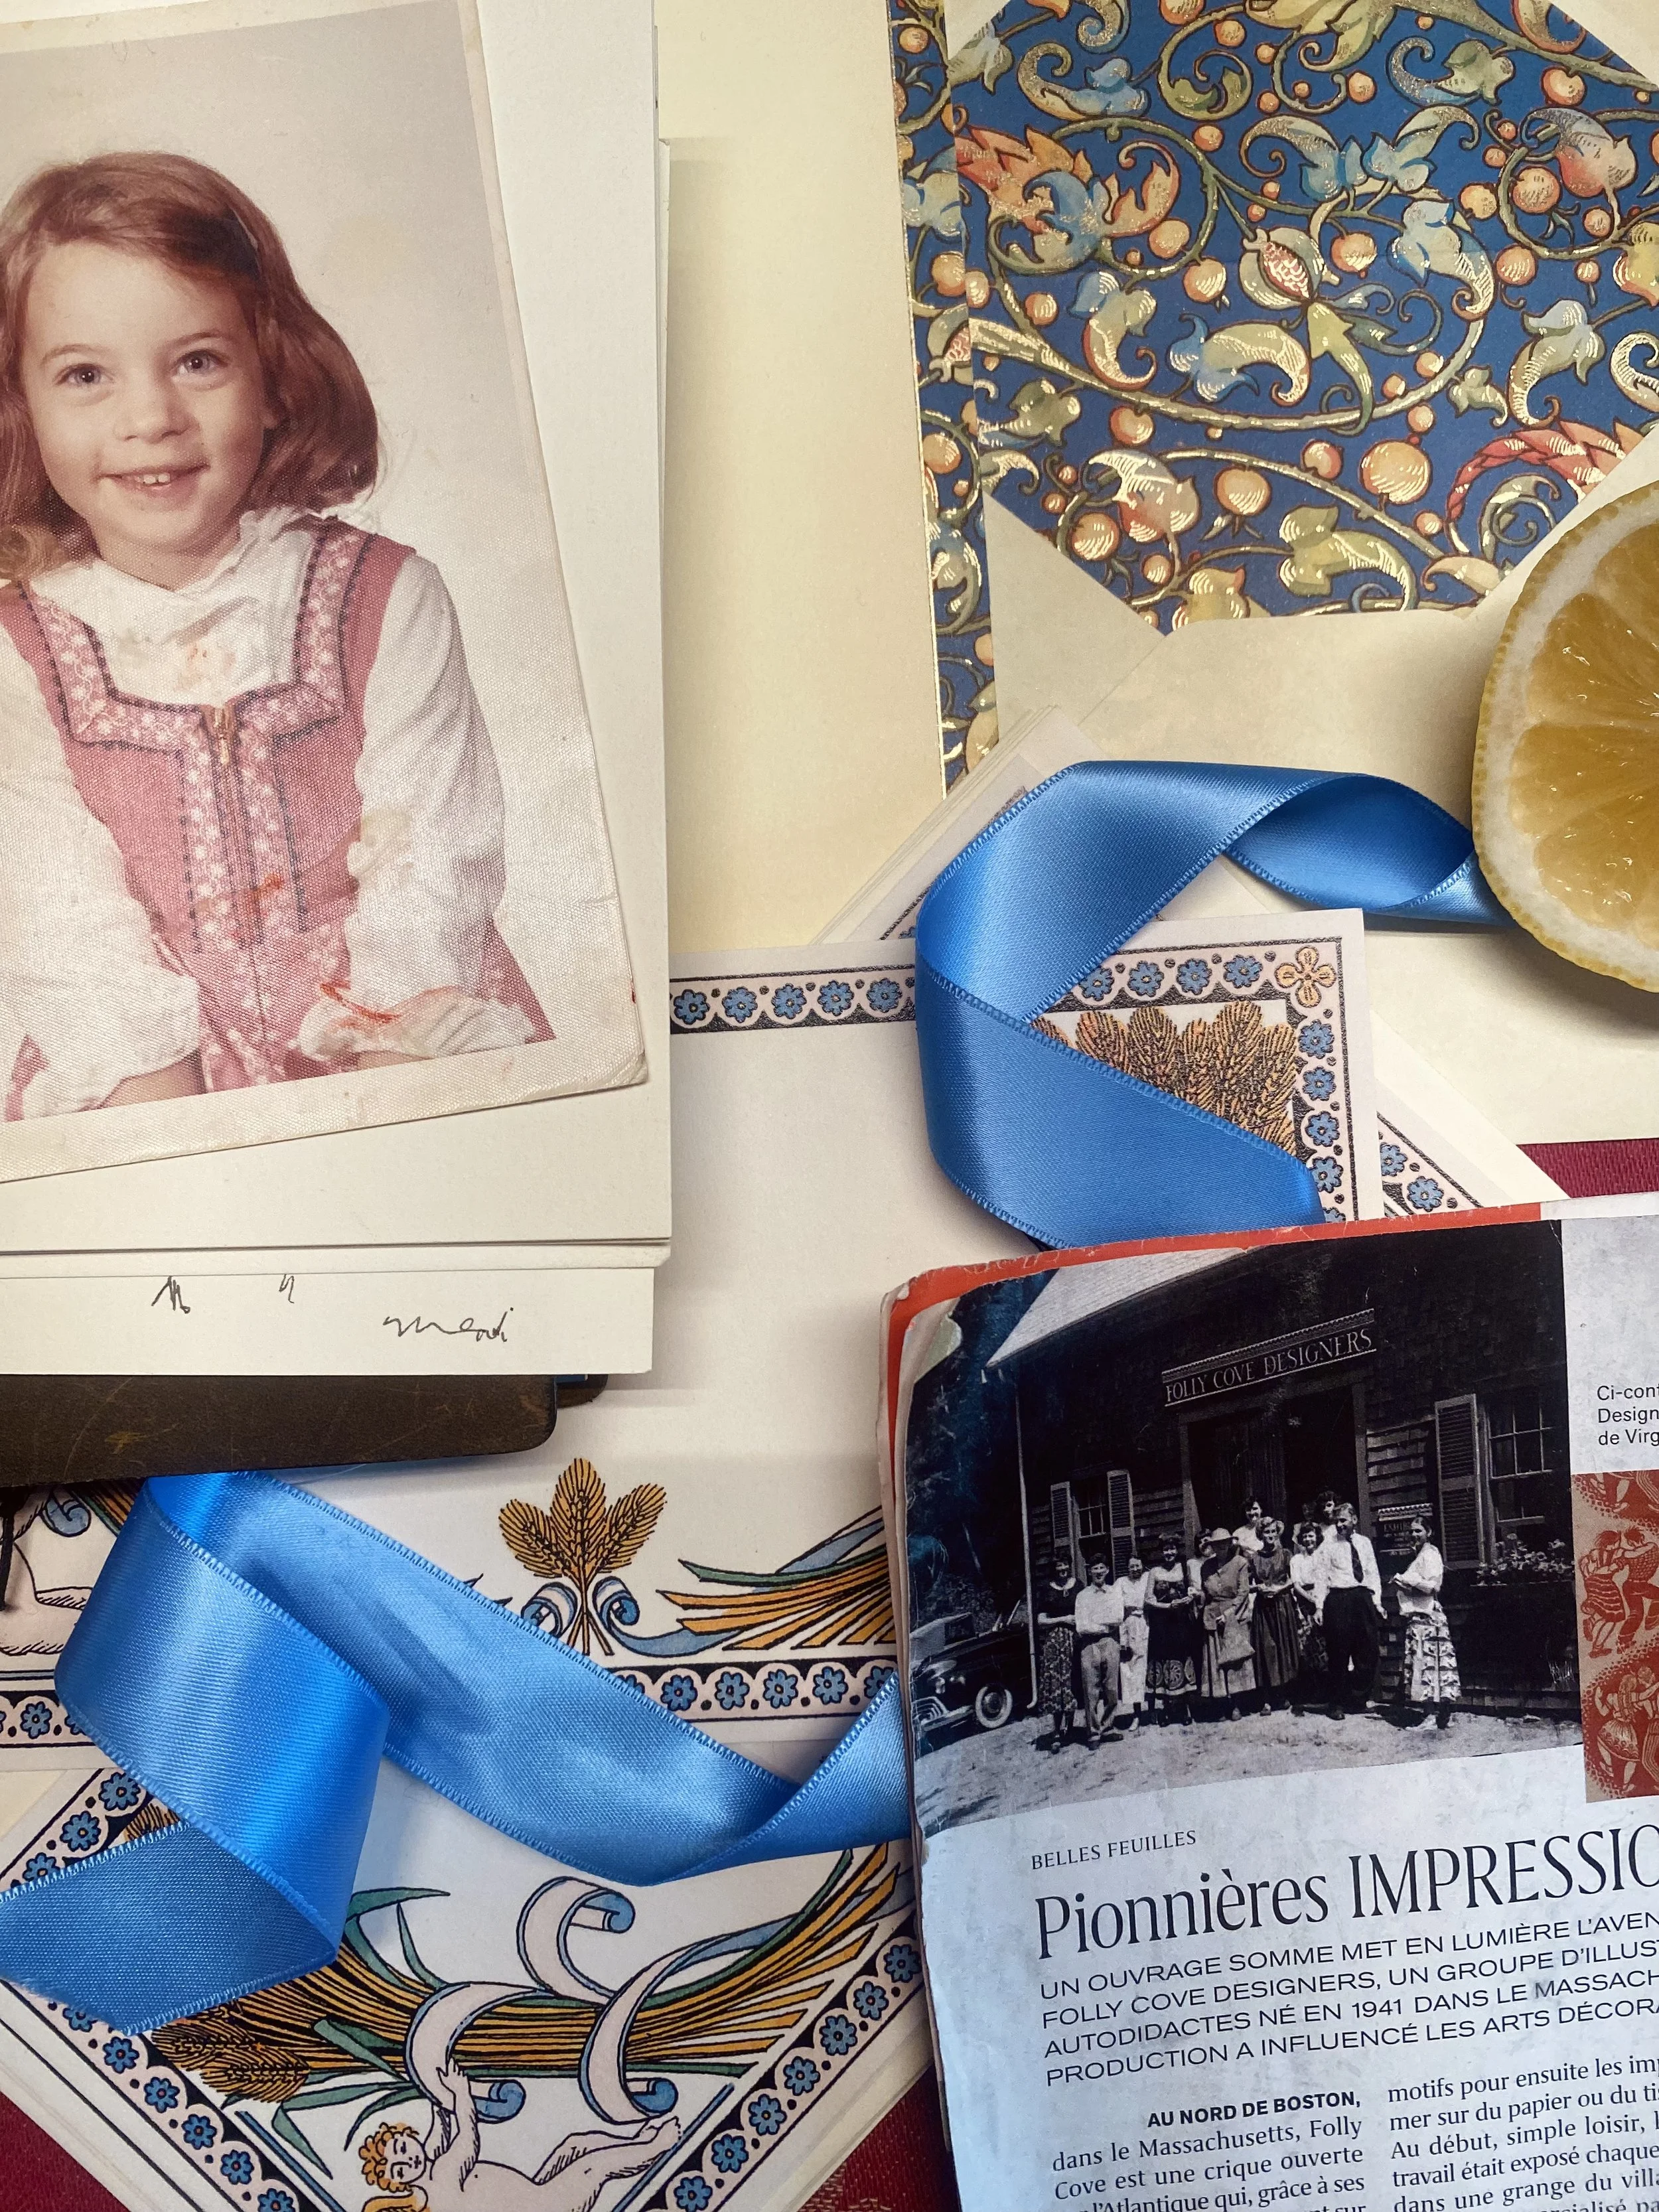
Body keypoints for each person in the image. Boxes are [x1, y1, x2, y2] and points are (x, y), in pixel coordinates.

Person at [0, 152, 554, 1120]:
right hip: (147, 1095)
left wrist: (385, 1110)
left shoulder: (386, 598)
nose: (150, 419)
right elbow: (58, 920)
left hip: (395, 1068)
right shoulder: (20, 652)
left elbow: (433, 866)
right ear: (23, 408)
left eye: (198, 361)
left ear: (274, 376)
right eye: (85, 374)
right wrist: (176, 1139)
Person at [1314, 1501, 1385, 1717]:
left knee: (1367, 1650)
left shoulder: (1364, 1543)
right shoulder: (1328, 1544)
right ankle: (1336, 1703)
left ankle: (1357, 1698)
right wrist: (1319, 1606)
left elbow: (1372, 1572)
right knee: (1339, 1652)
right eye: (1337, 1522)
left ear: (1354, 1520)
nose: (1340, 1525)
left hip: (1362, 1597)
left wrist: (1377, 1601)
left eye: (1343, 1520)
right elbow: (1320, 1576)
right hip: (1338, 1598)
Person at [1392, 1511, 1460, 1730]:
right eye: (1411, 1531)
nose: (1414, 1534)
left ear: (1428, 1533)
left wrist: (1407, 1582)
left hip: (1429, 1618)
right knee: (1426, 1665)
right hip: (1420, 1618)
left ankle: (1434, 1716)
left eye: (1418, 1531)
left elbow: (1432, 1587)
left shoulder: (1431, 1554)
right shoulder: (1420, 1555)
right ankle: (1435, 1716)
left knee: (1430, 1665)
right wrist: (1404, 1584)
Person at [1199, 1527, 1256, 1721]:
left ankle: (1237, 1705)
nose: (1221, 1547)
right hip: (1212, 1618)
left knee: (1235, 1661)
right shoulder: (1206, 1567)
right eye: (1217, 1544)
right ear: (1212, 1546)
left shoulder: (1240, 1563)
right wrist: (1196, 1596)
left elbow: (1243, 1592)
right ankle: (1223, 1704)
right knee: (1216, 1663)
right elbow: (1205, 1594)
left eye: (1224, 1543)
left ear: (1230, 1544)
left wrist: (1230, 1614)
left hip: (1233, 1617)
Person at [1145, 1532, 1198, 1726]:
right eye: (1166, 1549)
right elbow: (1149, 1599)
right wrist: (1168, 1606)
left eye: (1172, 1549)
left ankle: (1185, 1710)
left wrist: (1189, 1597)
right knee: (1165, 1661)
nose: (1169, 1553)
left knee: (1182, 1658)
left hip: (1181, 1622)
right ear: (1161, 1552)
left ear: (1177, 1550)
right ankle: (1166, 1710)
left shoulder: (1184, 1568)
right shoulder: (1154, 1572)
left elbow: (1193, 1589)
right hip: (1162, 1624)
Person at [1248, 1516, 1299, 1712]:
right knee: (1266, 1649)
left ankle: (1284, 1695)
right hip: (1263, 1609)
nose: (1270, 1535)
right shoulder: (1254, 1558)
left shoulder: (1285, 1554)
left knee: (1283, 1648)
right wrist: (1259, 1588)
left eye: (1273, 1532)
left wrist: (1278, 1589)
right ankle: (1267, 1699)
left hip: (1282, 1606)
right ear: (1261, 1535)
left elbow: (1294, 1580)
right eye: (1266, 1532)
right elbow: (1248, 1585)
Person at [1074, 1552, 1123, 1749]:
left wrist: (1097, 1621)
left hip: (1110, 1642)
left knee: (1111, 1688)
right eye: (1095, 1568)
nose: (1099, 1572)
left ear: (1108, 1570)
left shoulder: (1114, 1593)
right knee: (1091, 1690)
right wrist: (1103, 1624)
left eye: (1102, 1568)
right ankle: (1093, 1733)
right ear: (1089, 1572)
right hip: (1089, 1645)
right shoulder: (1082, 1596)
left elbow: (1118, 1617)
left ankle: (1108, 1727)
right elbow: (1082, 1626)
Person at [1035, 1562, 1080, 1753]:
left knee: (1071, 1683)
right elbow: (1041, 1620)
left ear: (1070, 1566)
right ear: (1054, 1569)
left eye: (1065, 1566)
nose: (1063, 1570)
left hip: (1074, 1641)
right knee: (1056, 1685)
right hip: (1054, 1644)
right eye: (1059, 1567)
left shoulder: (1078, 1586)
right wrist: (1062, 1619)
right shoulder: (1047, 1589)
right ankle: (1056, 1732)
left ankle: (1069, 1728)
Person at [1288, 1520, 1328, 1690]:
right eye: (1305, 1537)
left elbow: (1327, 1580)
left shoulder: (1324, 1556)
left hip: (1324, 1600)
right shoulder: (1296, 1559)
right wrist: (1311, 1599)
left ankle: (1330, 1686)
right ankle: (1314, 1687)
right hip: (1305, 1604)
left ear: (1317, 1537)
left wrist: (1321, 1600)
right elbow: (1296, 1585)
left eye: (1311, 1536)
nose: (1308, 1540)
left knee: (1326, 1643)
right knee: (1309, 1644)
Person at [1114, 1553, 1150, 1729]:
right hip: (1129, 1627)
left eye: (1138, 1566)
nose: (1135, 1569)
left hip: (1148, 1624)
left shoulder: (1148, 1578)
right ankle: (1137, 1715)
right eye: (1132, 1566)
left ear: (1143, 1566)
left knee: (1150, 1668)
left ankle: (1151, 1710)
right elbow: (1115, 1607)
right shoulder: (1120, 1583)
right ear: (1127, 1568)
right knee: (1133, 1671)